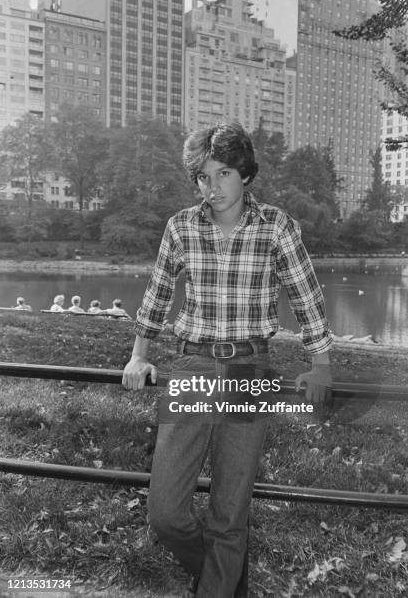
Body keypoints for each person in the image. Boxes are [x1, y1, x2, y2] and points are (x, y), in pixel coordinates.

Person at [122, 122, 333, 597]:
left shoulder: (276, 225)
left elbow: (307, 299)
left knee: (228, 512)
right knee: (167, 512)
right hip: (193, 366)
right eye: (202, 177)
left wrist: (320, 366)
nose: (211, 187)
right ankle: (226, 579)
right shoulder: (181, 226)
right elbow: (157, 296)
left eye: (222, 174)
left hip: (247, 368)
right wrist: (139, 356)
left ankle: (218, 585)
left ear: (245, 174)